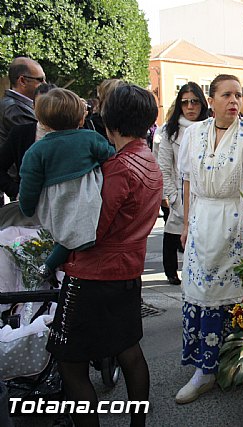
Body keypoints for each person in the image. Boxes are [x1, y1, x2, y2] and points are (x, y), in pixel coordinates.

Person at [46, 84, 162, 427]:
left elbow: (90, 229)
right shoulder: (147, 159)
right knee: (128, 350)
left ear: (108, 120)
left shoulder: (119, 167)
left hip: (94, 274)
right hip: (127, 270)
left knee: (71, 363)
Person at [176, 74, 243, 404]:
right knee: (198, 293)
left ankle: (229, 365)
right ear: (211, 100)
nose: (234, 101)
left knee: (230, 296)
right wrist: (186, 223)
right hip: (202, 218)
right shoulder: (194, 134)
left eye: (238, 96)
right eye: (226, 95)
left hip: (232, 223)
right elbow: (188, 182)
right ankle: (202, 369)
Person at [18, 88, 115, 278]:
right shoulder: (90, 138)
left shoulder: (36, 151)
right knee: (78, 231)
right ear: (81, 118)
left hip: (54, 201)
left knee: (63, 233)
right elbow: (112, 159)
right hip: (86, 196)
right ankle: (51, 264)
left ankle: (49, 265)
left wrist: (27, 208)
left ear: (43, 122)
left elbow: (29, 184)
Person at [157, 82, 208, 286]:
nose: (190, 107)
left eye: (194, 102)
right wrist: (174, 197)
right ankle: (171, 271)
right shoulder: (170, 130)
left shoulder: (211, 127)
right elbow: (164, 166)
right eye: (185, 102)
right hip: (179, 193)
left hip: (205, 195)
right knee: (173, 234)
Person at [0, 57, 46, 206]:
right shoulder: (14, 109)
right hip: (25, 190)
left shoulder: (13, 106)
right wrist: (17, 190)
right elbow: (33, 146)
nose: (44, 84)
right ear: (22, 81)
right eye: (40, 80)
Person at [0, 83, 56, 200]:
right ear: (34, 106)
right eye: (41, 105)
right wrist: (16, 192)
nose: (45, 111)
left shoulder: (72, 132)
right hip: (30, 207)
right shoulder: (20, 134)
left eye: (50, 105)